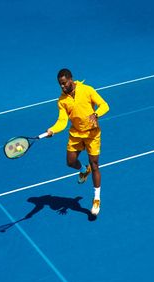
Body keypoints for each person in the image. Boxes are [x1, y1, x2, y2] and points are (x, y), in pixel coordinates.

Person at [46, 68, 109, 216]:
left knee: (95, 165)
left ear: (71, 79)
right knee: (70, 161)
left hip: (92, 134)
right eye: (60, 84)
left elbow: (105, 105)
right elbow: (62, 121)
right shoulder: (62, 101)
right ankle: (83, 170)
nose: (62, 86)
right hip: (76, 133)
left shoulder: (87, 90)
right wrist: (52, 130)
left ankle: (96, 199)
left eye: (64, 83)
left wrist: (96, 114)